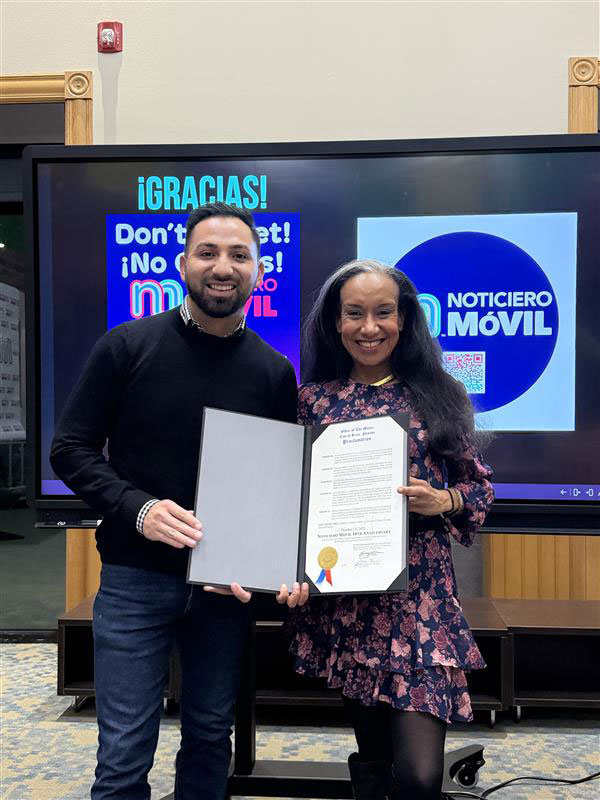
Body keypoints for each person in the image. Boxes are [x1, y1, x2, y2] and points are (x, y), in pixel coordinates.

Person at [50, 202, 306, 800]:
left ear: (258, 270)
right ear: (183, 264)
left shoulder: (273, 372)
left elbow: (276, 483)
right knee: (123, 754)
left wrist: (262, 561)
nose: (223, 267)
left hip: (223, 591)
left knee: (212, 736)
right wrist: (139, 509)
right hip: (135, 578)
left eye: (239, 255)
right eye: (208, 253)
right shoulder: (126, 347)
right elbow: (70, 449)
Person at [284, 259, 494, 800]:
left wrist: (442, 499)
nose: (369, 327)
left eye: (384, 312)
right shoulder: (312, 402)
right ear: (336, 322)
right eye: (354, 313)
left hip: (421, 599)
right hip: (350, 600)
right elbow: (291, 502)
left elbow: (479, 491)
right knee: (377, 762)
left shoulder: (438, 394)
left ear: (404, 320)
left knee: (419, 776)